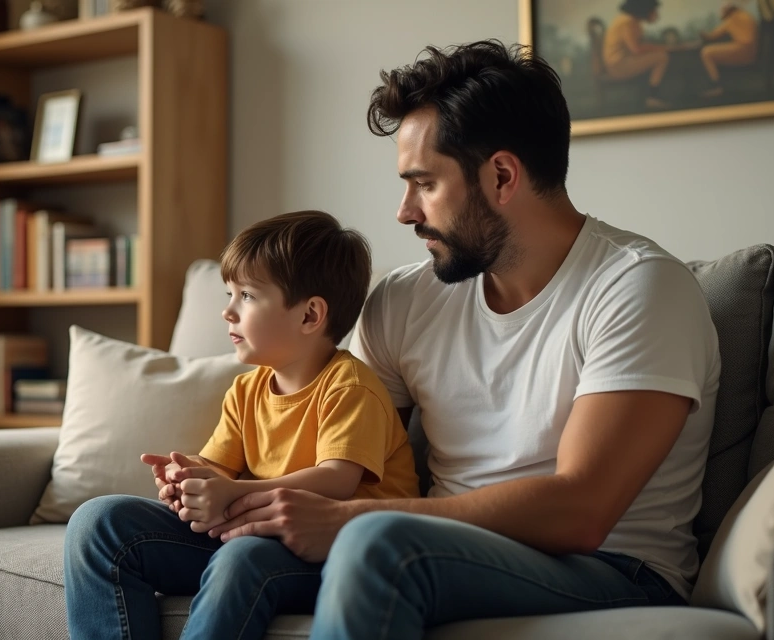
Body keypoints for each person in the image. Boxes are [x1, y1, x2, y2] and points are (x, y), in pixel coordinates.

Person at [204, 40, 721, 639]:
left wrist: (355, 520)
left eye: (423, 183)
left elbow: (581, 511)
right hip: (430, 552)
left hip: (612, 568)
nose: (404, 212)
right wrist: (226, 493)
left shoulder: (638, 288)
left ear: (501, 176)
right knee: (126, 528)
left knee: (376, 543)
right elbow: (344, 454)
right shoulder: (405, 300)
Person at [64, 210, 420, 640]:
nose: (227, 312)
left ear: (310, 315)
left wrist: (233, 493)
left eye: (247, 296)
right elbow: (219, 468)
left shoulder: (351, 387)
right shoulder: (246, 390)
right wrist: (190, 479)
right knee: (99, 523)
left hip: (330, 551)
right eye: (229, 293)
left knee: (242, 556)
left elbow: (337, 481)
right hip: (256, 536)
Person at [602, 0, 672, 108]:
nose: (656, 15)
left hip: (621, 63)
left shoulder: (628, 20)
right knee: (661, 57)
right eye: (653, 11)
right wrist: (667, 48)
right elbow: (636, 49)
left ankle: (651, 96)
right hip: (619, 66)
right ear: (644, 9)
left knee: (658, 55)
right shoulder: (628, 22)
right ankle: (652, 97)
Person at [698, 2, 760, 98]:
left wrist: (702, 34)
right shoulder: (745, 15)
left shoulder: (732, 19)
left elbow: (711, 36)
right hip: (751, 51)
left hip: (743, 51)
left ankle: (717, 86)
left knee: (706, 53)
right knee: (710, 51)